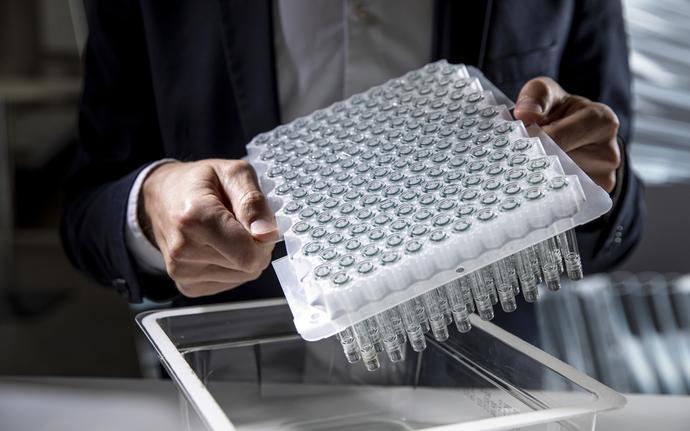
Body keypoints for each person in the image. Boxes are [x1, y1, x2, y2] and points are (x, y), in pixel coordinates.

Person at [62, 0, 644, 312]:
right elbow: (89, 206)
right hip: (240, 381)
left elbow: (619, 205)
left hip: (493, 381)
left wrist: (590, 185)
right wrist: (151, 209)